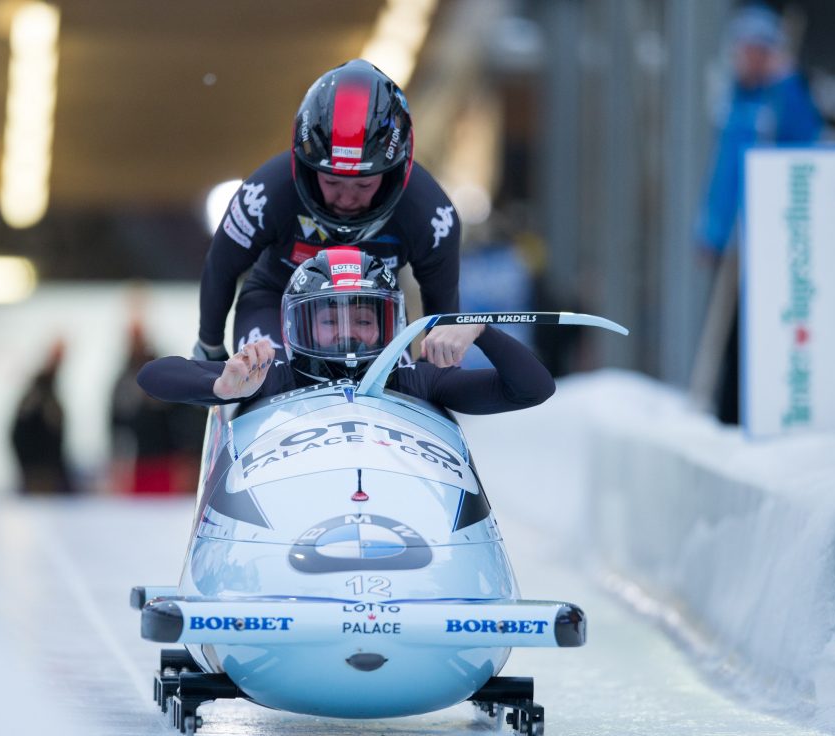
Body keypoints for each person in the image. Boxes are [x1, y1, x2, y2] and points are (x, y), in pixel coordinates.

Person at [192, 58, 479, 371]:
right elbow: (222, 265)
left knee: (397, 390)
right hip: (276, 303)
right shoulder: (264, 195)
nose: (346, 197)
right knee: (272, 378)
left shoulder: (431, 216)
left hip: (373, 316)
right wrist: (210, 348)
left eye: (364, 184)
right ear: (306, 168)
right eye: (331, 181)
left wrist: (433, 376)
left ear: (394, 173)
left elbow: (444, 323)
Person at [141, 248, 555, 415]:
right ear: (298, 326)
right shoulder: (271, 378)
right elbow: (155, 375)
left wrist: (477, 328)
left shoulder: (418, 380)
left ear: (389, 324)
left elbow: (533, 388)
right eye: (327, 321)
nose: (347, 334)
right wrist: (222, 389)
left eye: (363, 320)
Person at [693, 3, 822, 424]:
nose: (742, 58)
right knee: (728, 333)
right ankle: (727, 412)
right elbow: (722, 174)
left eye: (751, 50)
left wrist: (785, 82)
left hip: (769, 237)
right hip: (732, 236)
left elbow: (807, 143)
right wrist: (710, 230)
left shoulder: (784, 98)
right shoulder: (734, 101)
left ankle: (755, 410)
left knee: (759, 329)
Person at [109, 320, 208, 494]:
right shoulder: (124, 380)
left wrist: (188, 455)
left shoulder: (162, 374)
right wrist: (116, 462)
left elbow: (185, 416)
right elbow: (115, 423)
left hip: (168, 463)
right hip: (140, 464)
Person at [10, 340, 74, 494]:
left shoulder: (51, 393)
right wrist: (29, 468)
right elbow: (17, 434)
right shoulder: (36, 395)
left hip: (50, 475)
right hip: (38, 476)